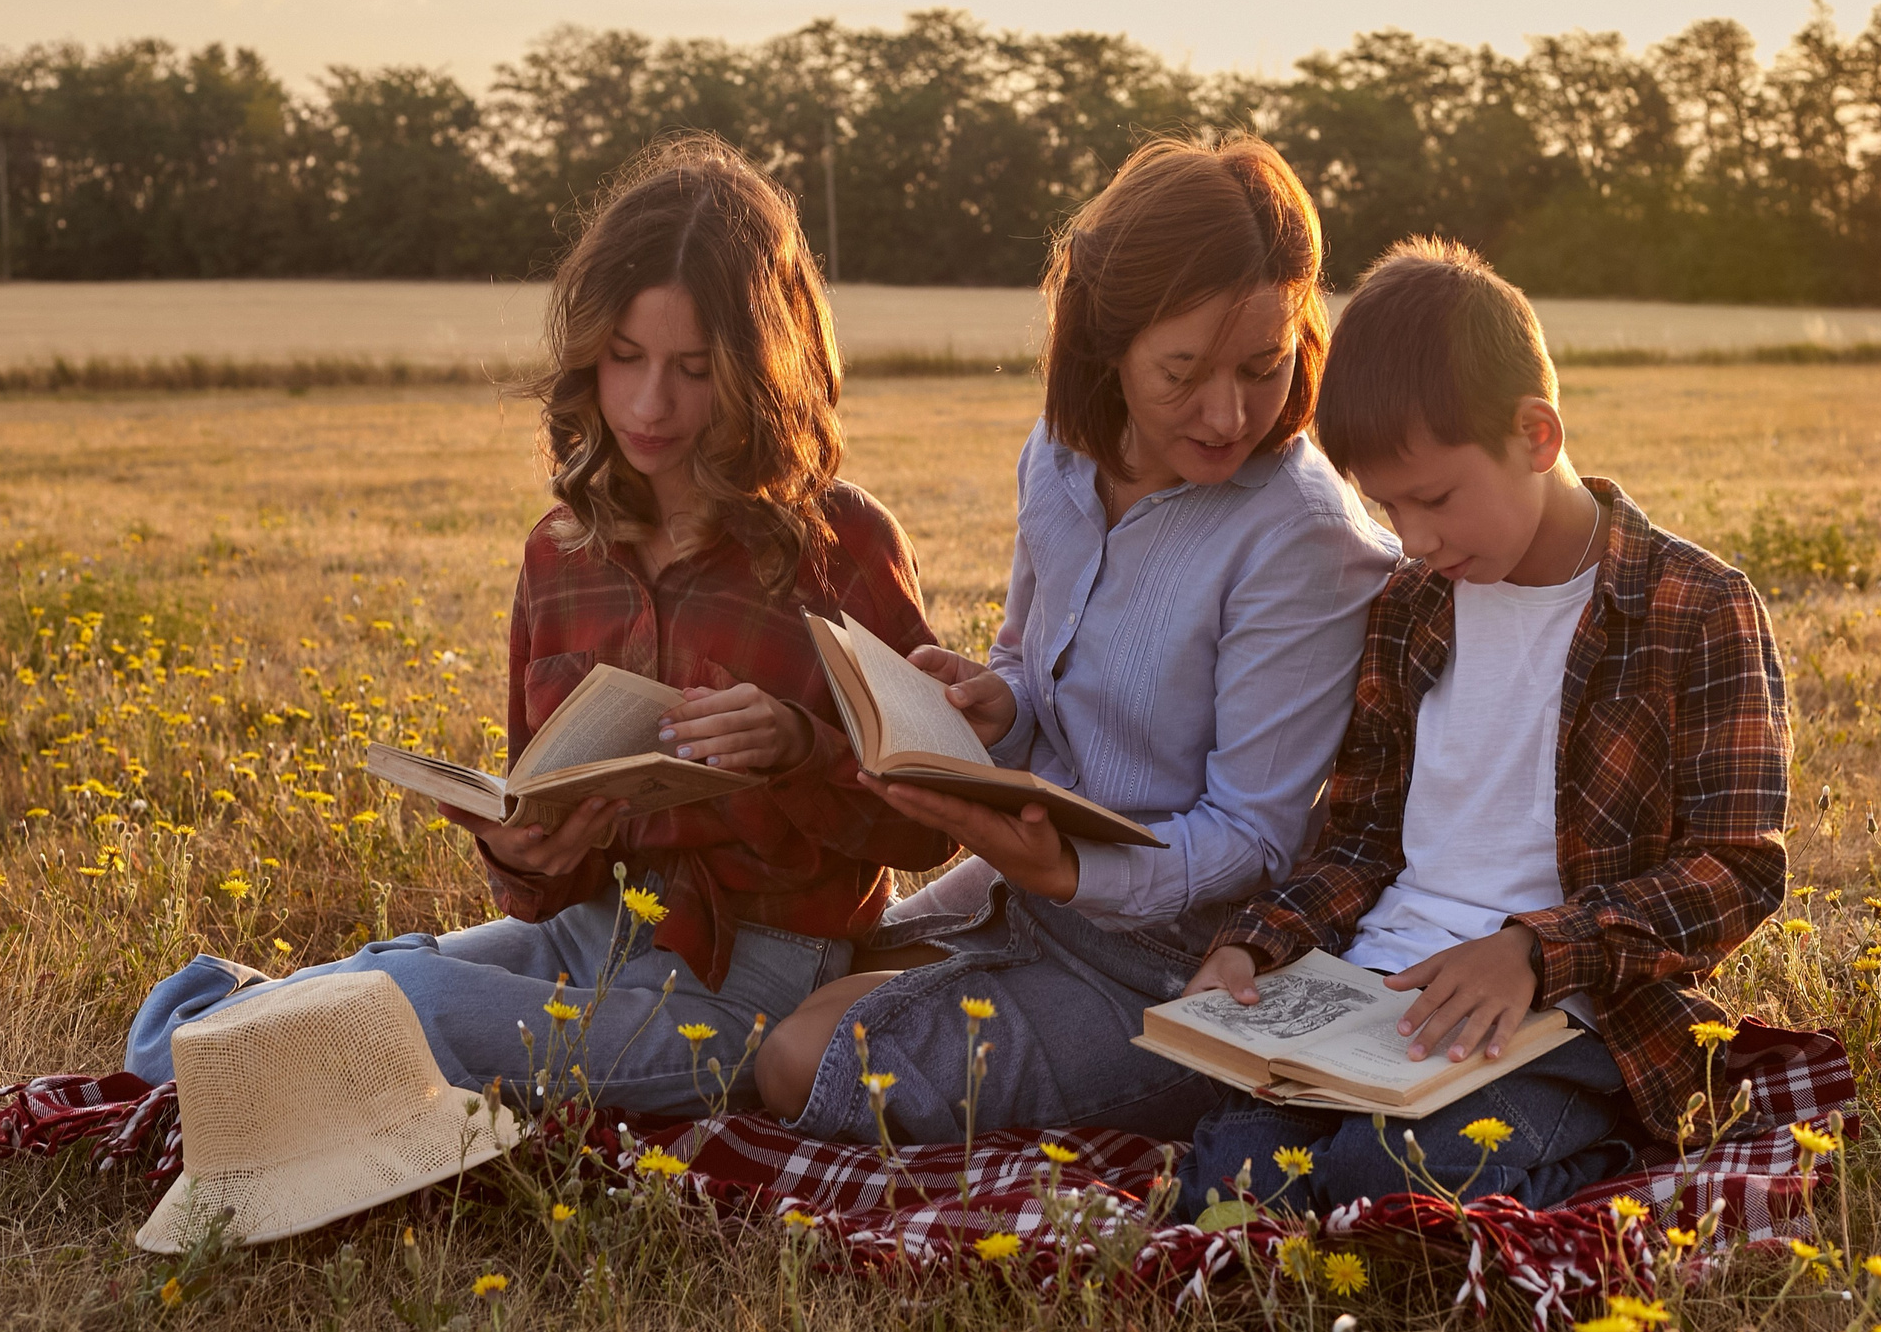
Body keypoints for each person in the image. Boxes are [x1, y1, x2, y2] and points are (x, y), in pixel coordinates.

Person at [124, 136, 951, 1118]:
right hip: (585, 935)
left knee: (411, 1003)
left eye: (693, 368)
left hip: (757, 980)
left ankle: (242, 1050)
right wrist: (530, 853)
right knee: (337, 993)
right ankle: (221, 1041)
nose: (651, 403)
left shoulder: (840, 543)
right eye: (624, 359)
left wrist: (800, 744)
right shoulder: (559, 554)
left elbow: (926, 824)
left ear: (762, 369)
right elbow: (539, 842)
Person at [753, 136, 1399, 1142]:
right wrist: (995, 702)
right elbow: (1024, 658)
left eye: (1264, 367)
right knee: (790, 989)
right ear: (1106, 338)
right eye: (1182, 372)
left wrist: (1066, 873)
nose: (1229, 413)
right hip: (1035, 888)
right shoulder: (1056, 458)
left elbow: (1256, 835)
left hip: (1189, 962)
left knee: (804, 1058)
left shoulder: (1301, 536)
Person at [1179, 238, 1789, 1216]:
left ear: (1536, 435)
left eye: (1434, 498)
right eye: (1387, 505)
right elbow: (1365, 837)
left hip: (1566, 1017)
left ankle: (1603, 1163)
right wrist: (1255, 945)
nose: (1411, 538)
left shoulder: (1693, 605)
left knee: (1387, 1183)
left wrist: (1534, 951)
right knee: (1233, 1186)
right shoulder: (1412, 606)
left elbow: (1738, 868)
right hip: (1364, 997)